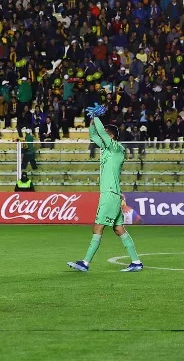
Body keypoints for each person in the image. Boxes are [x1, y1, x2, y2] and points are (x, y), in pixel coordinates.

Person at [67, 113, 143, 273]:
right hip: (112, 194)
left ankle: (85, 263)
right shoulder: (107, 149)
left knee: (97, 227)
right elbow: (93, 134)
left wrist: (98, 118)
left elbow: (100, 132)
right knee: (118, 229)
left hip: (109, 194)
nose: (103, 135)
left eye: (106, 133)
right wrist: (92, 121)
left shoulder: (117, 148)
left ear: (112, 135)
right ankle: (136, 262)